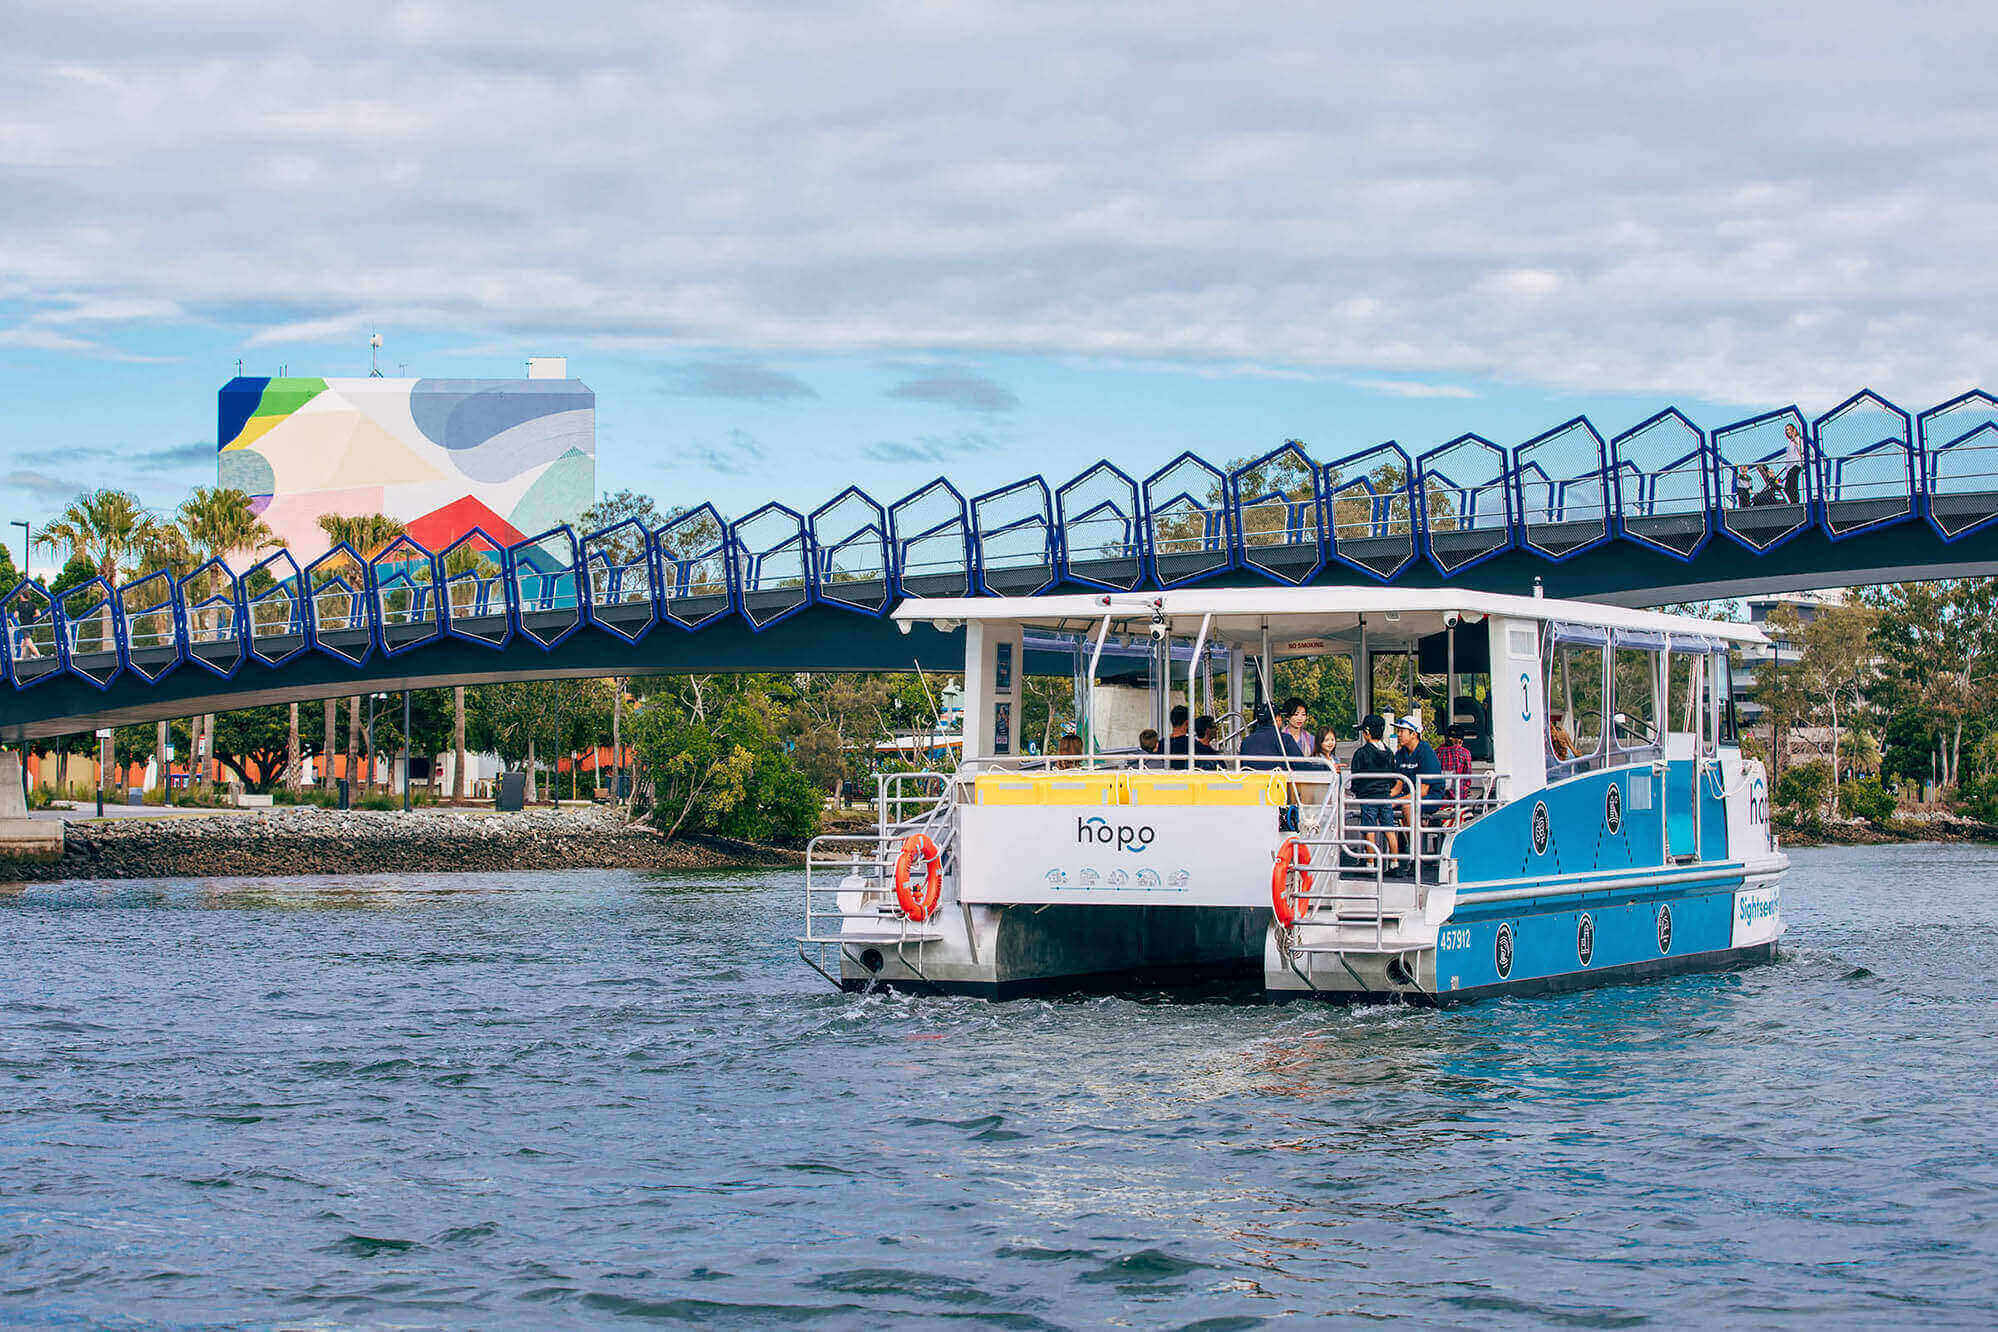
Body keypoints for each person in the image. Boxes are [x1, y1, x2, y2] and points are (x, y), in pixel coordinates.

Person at [1391, 713, 1443, 876]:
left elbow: (1423, 790)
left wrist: (1398, 801)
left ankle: (1415, 856)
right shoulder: (1400, 754)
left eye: (1402, 731)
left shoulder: (1425, 751)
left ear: (1413, 734)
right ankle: (1393, 859)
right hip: (1409, 796)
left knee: (1407, 807)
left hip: (1431, 796)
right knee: (1382, 808)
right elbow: (1398, 785)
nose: (1399, 735)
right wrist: (1386, 798)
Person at [1346, 714, 1398, 865]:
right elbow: (1393, 777)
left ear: (1367, 733)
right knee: (1389, 828)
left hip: (1368, 796)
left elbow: (1355, 776)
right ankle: (1395, 861)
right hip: (1385, 796)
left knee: (1369, 828)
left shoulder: (1361, 753)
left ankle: (1370, 861)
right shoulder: (1389, 753)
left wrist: (1357, 791)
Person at [1239, 704, 1304, 766]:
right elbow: (1302, 765)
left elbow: (1242, 766)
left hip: (1251, 777)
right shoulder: (1285, 739)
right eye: (1281, 717)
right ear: (1277, 718)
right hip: (1276, 777)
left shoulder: (1246, 741)